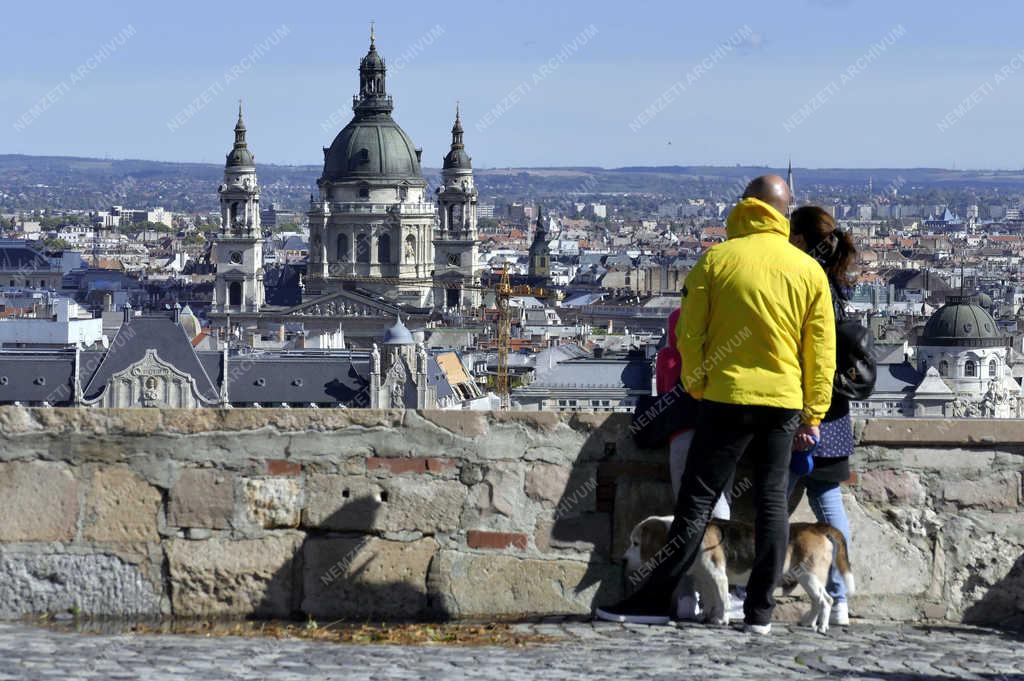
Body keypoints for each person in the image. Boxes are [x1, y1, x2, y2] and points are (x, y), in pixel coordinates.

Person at [596, 175, 836, 634]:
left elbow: (689, 333)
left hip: (725, 397)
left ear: (746, 206)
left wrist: (699, 384)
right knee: (771, 505)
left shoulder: (717, 260)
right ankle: (760, 614)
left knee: (696, 506)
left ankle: (654, 600)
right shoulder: (807, 270)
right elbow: (820, 350)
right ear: (784, 214)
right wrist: (814, 412)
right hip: (783, 401)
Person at [787, 205, 858, 626]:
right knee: (829, 503)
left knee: (773, 500)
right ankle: (840, 599)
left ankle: (749, 589)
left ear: (799, 238)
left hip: (803, 406)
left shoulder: (804, 279)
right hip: (834, 409)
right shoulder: (837, 283)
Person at [655, 308, 732, 620]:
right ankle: (723, 594)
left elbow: (662, 393)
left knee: (684, 514)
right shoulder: (720, 354)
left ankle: (687, 595)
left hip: (681, 436)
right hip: (720, 432)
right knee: (721, 509)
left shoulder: (668, 359)